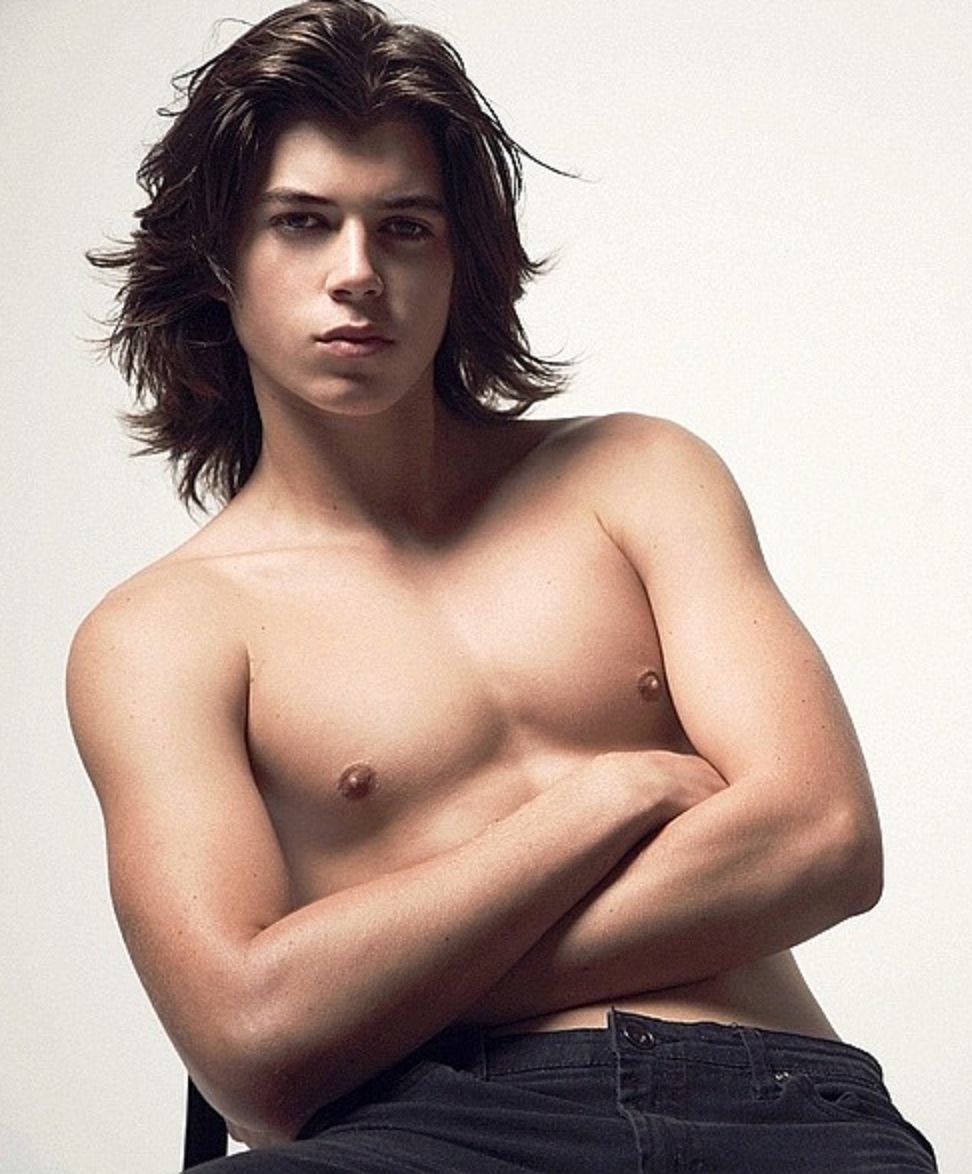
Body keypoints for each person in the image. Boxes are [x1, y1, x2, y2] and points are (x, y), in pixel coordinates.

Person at [67, 2, 937, 1170]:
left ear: (458, 258)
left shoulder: (636, 476)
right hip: (432, 1129)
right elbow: (249, 1044)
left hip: (769, 1091)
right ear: (220, 258)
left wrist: (365, 1004)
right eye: (303, 222)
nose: (357, 273)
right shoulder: (163, 634)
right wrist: (612, 792)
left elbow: (825, 840)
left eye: (406, 227)